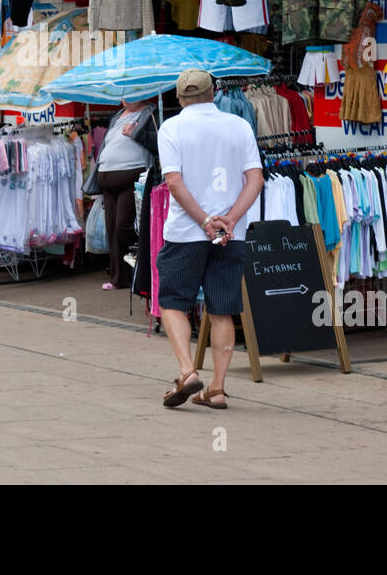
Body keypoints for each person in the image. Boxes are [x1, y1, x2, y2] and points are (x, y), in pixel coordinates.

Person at [155, 69, 263, 409]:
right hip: (231, 233)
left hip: (187, 232)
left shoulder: (171, 127)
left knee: (172, 302)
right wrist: (230, 218)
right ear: (213, 92)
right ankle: (216, 388)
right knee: (222, 309)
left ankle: (187, 372)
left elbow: (174, 182)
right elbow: (255, 179)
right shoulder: (239, 126)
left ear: (179, 97)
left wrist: (203, 220)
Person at [96, 99, 157, 290]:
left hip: (133, 176)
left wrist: (135, 133)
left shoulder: (150, 113)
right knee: (112, 230)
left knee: (123, 226)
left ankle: (142, 264)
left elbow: (158, 142)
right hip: (107, 179)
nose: (126, 99)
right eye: (124, 96)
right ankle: (119, 278)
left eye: (131, 94)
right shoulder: (117, 115)